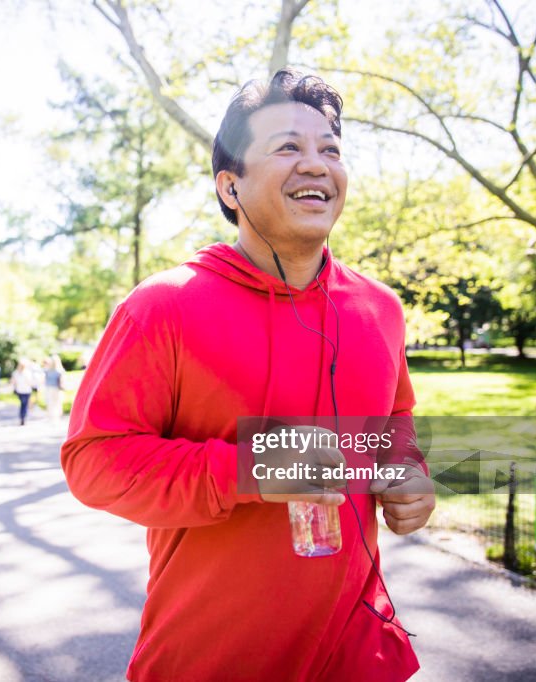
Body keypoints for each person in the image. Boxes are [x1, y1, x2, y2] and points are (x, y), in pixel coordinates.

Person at [61, 70, 435, 681]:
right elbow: (95, 463)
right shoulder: (163, 307)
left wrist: (407, 474)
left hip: (362, 649)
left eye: (330, 150)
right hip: (211, 655)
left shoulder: (382, 309)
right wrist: (249, 469)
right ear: (229, 187)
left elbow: (393, 423)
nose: (316, 164)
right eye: (288, 147)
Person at [10, 359, 36, 425]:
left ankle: (22, 417)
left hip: (20, 390)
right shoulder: (27, 372)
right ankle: (23, 417)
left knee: (23, 404)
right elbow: (30, 382)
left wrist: (14, 387)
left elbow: (13, 382)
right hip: (26, 390)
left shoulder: (16, 372)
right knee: (24, 404)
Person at [43, 355, 65, 423]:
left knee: (51, 402)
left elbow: (45, 379)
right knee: (57, 402)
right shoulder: (60, 370)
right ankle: (56, 417)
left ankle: (52, 416)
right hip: (55, 388)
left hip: (50, 388)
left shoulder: (48, 370)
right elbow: (62, 381)